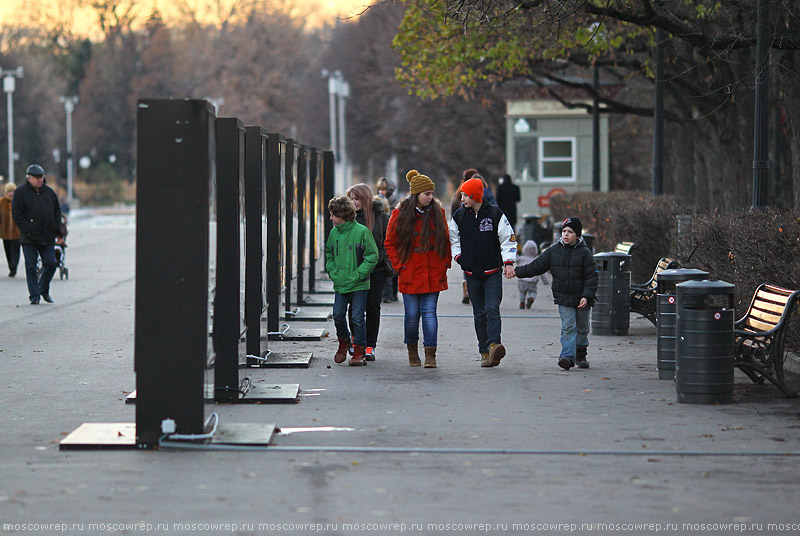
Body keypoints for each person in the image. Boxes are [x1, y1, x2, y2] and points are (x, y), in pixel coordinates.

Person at [385, 169, 451, 368]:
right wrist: (400, 267)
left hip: (433, 271)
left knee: (429, 313)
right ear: (416, 194)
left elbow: (446, 241)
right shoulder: (400, 214)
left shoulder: (438, 213)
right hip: (410, 271)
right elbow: (390, 243)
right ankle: (412, 350)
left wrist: (444, 265)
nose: (431, 197)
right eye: (427, 194)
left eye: (432, 193)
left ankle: (431, 354)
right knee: (412, 315)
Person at [512, 217, 598, 370]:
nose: (565, 235)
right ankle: (567, 357)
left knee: (582, 328)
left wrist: (587, 296)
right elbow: (536, 266)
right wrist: (516, 272)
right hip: (564, 297)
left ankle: (581, 354)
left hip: (582, 298)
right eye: (563, 231)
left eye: (570, 232)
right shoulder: (553, 251)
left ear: (578, 235)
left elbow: (592, 277)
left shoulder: (585, 253)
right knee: (568, 326)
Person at [449, 177, 517, 368]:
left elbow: (508, 240)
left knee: (492, 309)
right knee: (479, 313)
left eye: (465, 195)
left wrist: (509, 263)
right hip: (471, 273)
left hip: (492, 272)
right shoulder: (459, 217)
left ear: (475, 196)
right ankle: (484, 352)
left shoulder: (495, 215)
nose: (462, 199)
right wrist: (459, 257)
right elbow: (453, 239)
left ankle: (494, 344)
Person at [325, 195, 379, 366]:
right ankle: (344, 341)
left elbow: (372, 256)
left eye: (333, 214)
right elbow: (329, 254)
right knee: (338, 315)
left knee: (357, 317)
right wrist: (333, 271)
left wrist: (359, 274)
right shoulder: (334, 233)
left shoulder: (362, 232)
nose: (331, 218)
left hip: (359, 284)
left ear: (343, 215)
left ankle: (359, 350)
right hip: (341, 283)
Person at [346, 183, 392, 361]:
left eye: (357, 199)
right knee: (354, 308)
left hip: (377, 269)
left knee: (372, 307)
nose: (354, 202)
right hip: (354, 270)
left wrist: (379, 258)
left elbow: (389, 242)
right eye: (351, 199)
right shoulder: (348, 218)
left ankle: (369, 346)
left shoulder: (381, 218)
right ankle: (357, 342)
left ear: (365, 199)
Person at [12, 165, 62, 304]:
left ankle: (43, 289)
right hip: (29, 237)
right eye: (37, 178)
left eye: (41, 177)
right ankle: (34, 296)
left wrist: (57, 229)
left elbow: (57, 212)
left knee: (51, 264)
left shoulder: (49, 193)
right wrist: (27, 228)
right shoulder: (21, 193)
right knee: (31, 266)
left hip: (47, 236)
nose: (40, 180)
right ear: (29, 178)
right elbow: (16, 213)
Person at [376, 177, 399, 303]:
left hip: (394, 238)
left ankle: (392, 293)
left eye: (384, 190)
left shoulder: (395, 203)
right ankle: (388, 294)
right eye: (379, 189)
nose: (381, 192)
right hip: (383, 237)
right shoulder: (377, 201)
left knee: (393, 268)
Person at [516, 240, 550, 309]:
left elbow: (514, 258)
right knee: (533, 292)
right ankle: (531, 298)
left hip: (522, 280)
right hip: (532, 281)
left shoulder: (521, 259)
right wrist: (546, 282)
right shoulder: (536, 261)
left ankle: (522, 303)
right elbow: (541, 272)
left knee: (522, 292)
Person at [0, 182, 21, 277]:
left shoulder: (19, 201)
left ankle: (14, 268)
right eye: (9, 192)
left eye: (13, 191)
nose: (11, 193)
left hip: (17, 232)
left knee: (15, 250)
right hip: (5, 232)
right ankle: (10, 266)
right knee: (8, 250)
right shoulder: (2, 202)